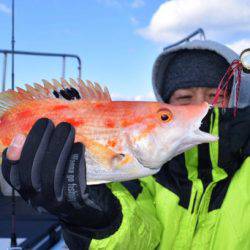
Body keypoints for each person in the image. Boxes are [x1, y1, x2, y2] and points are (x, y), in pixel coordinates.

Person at [2, 39, 250, 250]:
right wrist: (99, 222)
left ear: (237, 102)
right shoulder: (144, 180)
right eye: (169, 112)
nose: (203, 109)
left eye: (216, 96)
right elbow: (143, 238)